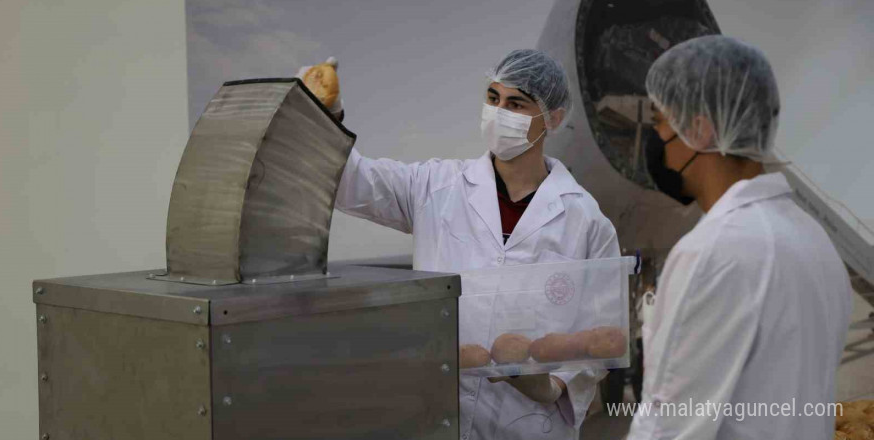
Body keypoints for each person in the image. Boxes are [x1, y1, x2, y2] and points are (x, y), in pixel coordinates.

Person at [328, 50, 619, 439]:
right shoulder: (436, 187)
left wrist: (551, 386)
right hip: (438, 415)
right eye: (493, 98)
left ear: (552, 118)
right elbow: (353, 182)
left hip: (529, 424)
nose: (499, 113)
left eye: (516, 104)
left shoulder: (587, 222)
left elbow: (601, 332)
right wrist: (328, 117)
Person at [627, 35, 853, 439]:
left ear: (698, 130)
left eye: (659, 120)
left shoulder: (715, 250)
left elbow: (669, 427)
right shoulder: (812, 239)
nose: (654, 136)